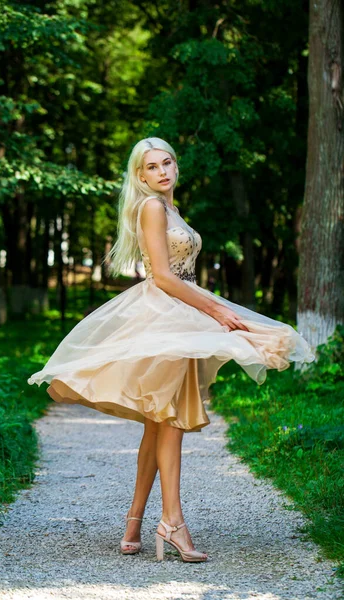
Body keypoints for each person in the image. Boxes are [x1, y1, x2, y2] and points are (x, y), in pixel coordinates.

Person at [28, 137, 315, 563]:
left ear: (176, 167)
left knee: (157, 422)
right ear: (140, 176)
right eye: (152, 167)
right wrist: (216, 309)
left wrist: (210, 308)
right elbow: (161, 275)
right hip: (165, 316)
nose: (162, 172)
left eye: (167, 163)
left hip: (181, 313)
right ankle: (173, 523)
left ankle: (134, 520)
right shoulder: (151, 207)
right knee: (170, 418)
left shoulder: (171, 209)